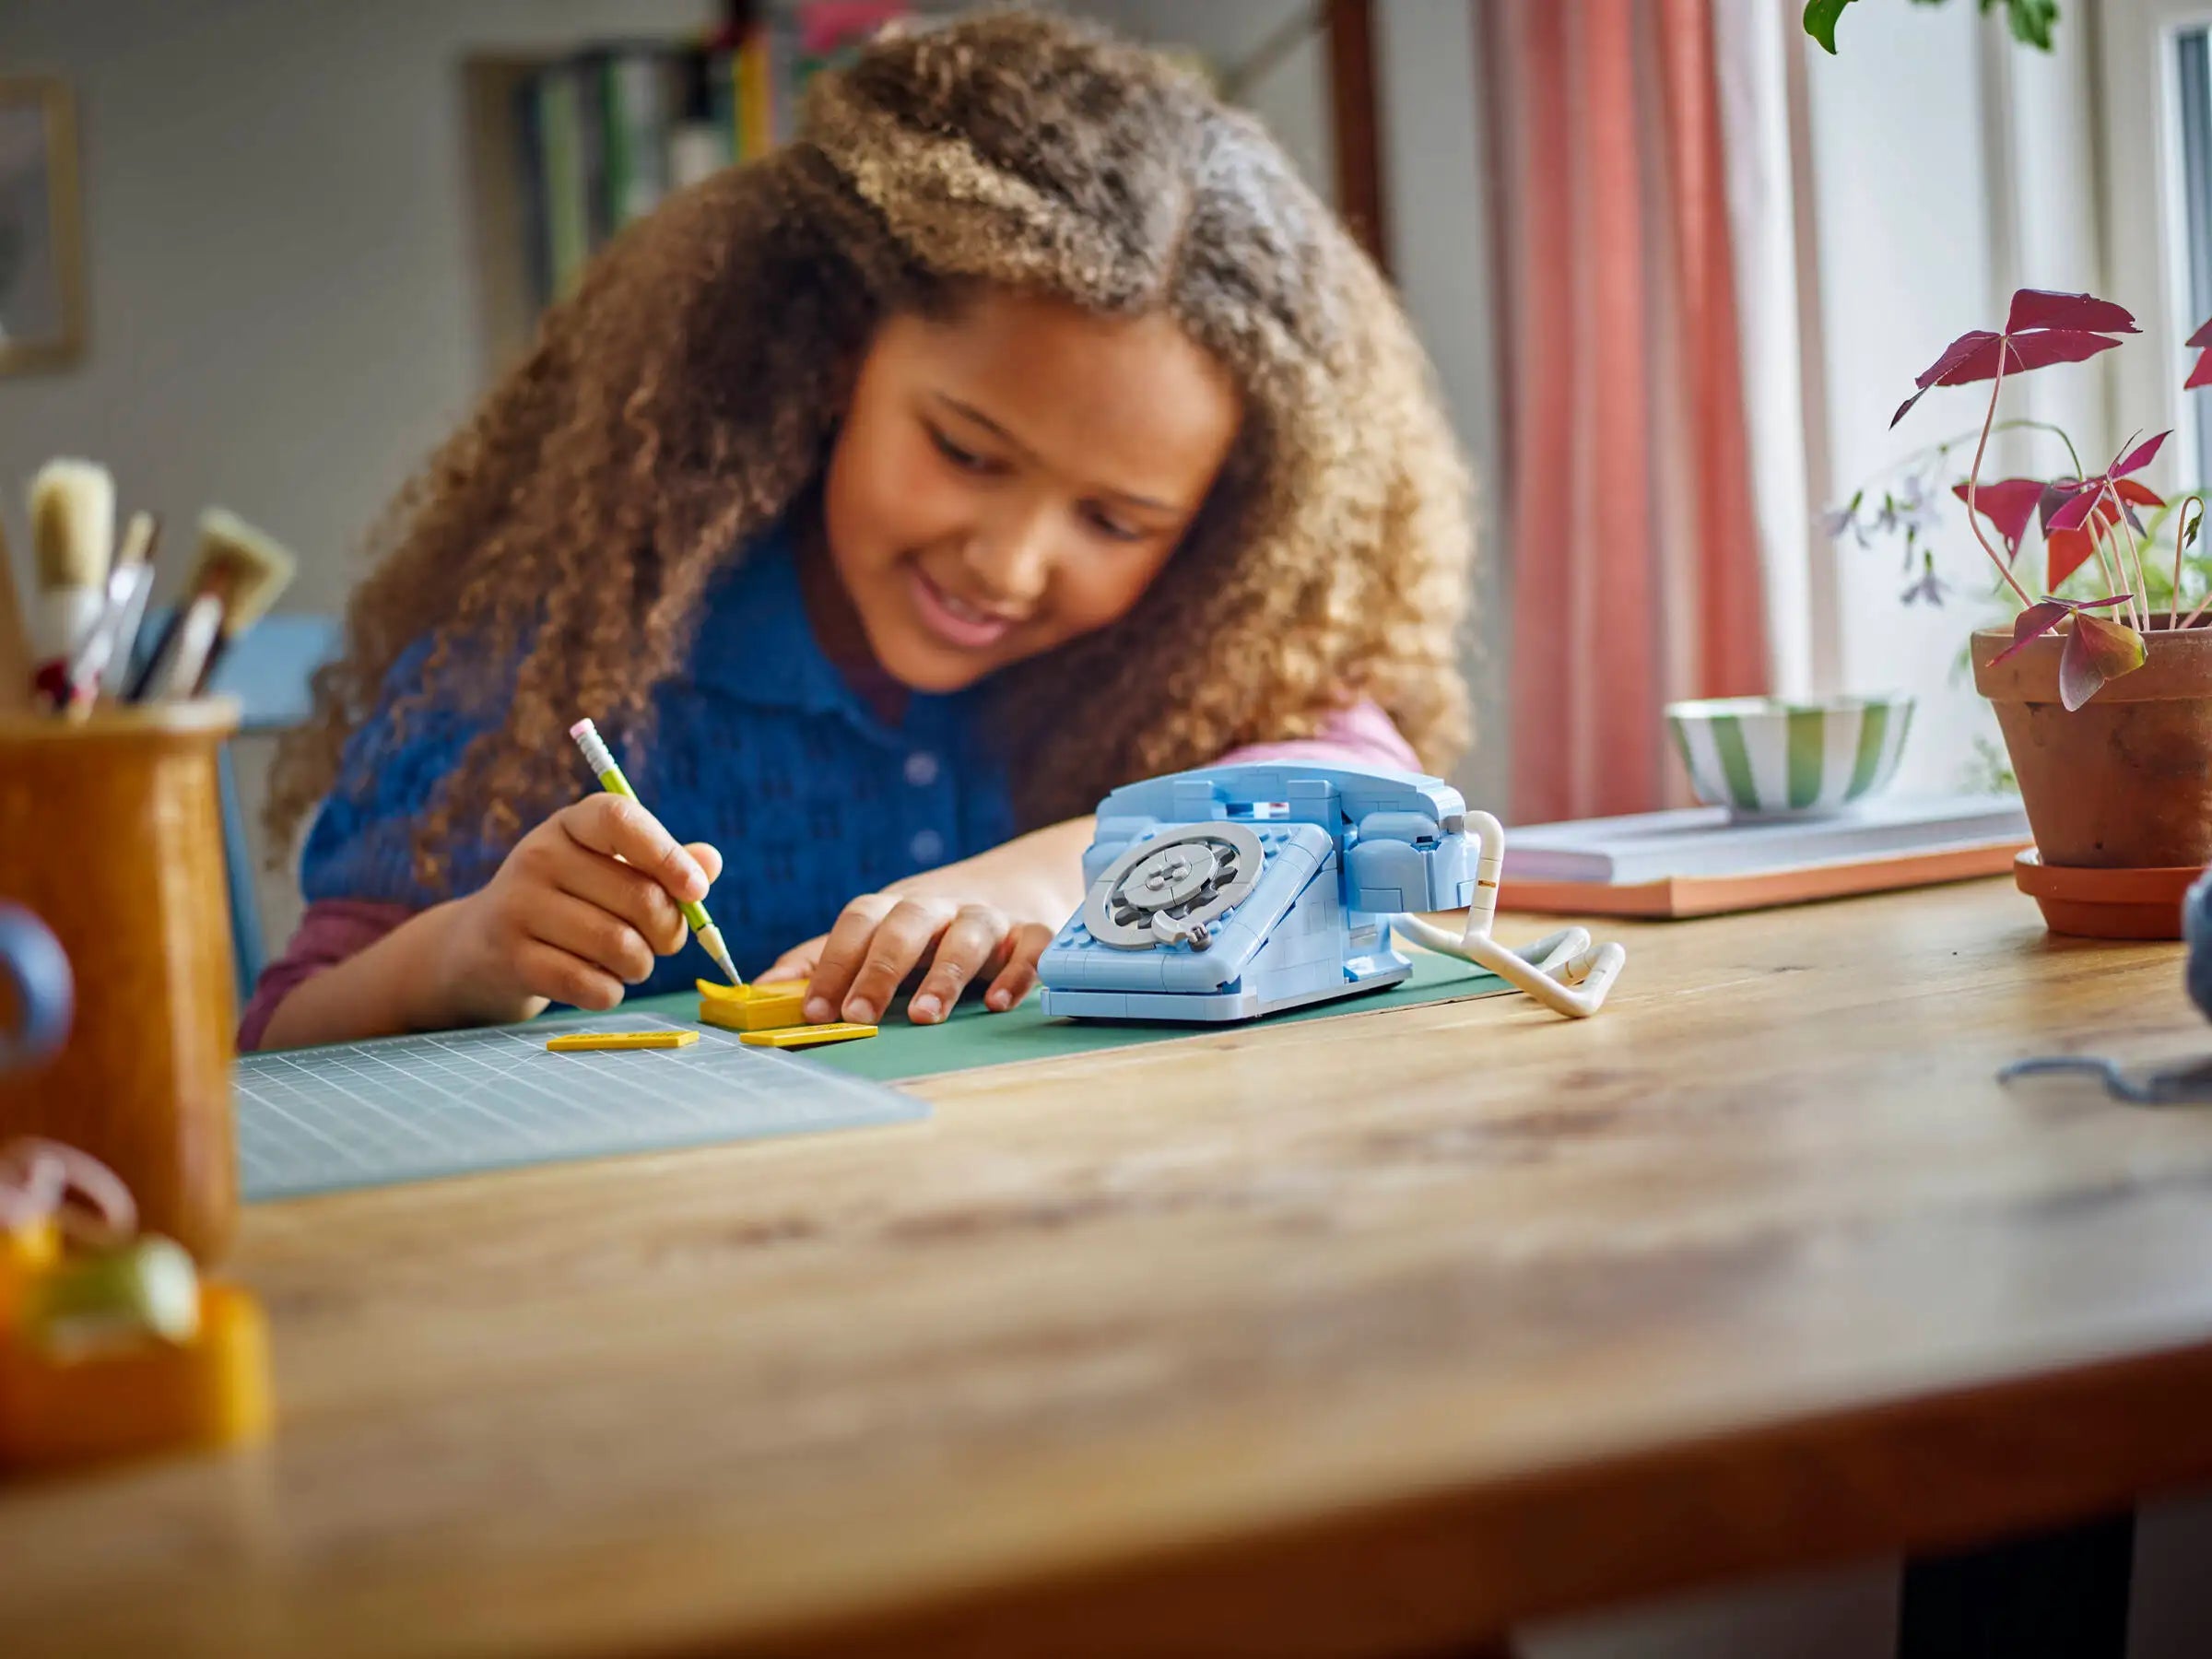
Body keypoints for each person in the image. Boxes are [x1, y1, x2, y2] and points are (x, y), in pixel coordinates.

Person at [245, 10, 1471, 1052]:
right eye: (965, 452)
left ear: (1221, 533)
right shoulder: (571, 648)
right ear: (833, 361)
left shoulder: (1201, 643)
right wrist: (463, 954)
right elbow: (283, 1041)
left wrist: (1048, 878)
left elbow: (1362, 793)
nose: (1008, 561)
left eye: (1115, 519)